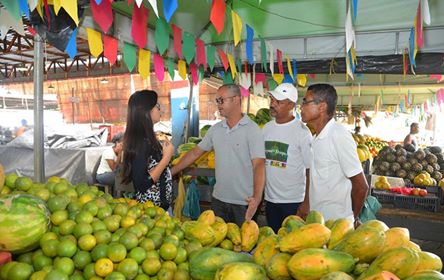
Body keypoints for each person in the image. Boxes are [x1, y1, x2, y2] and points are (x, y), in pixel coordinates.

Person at [171, 84, 265, 226]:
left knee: (243, 245)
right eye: (217, 101)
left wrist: (257, 197)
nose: (218, 105)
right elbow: (195, 152)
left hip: (244, 203)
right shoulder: (216, 130)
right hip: (218, 200)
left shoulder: (252, 130)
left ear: (236, 100)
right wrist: (171, 172)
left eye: (222, 100)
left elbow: (259, 165)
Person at [300, 83, 368, 226]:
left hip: (336, 224)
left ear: (322, 107)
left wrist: (351, 219)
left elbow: (361, 186)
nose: (301, 106)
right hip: (318, 223)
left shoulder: (338, 135)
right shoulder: (315, 138)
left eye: (305, 101)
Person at [263, 83, 313, 232]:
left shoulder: (302, 132)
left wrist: (306, 202)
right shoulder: (267, 128)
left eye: (278, 102)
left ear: (291, 104)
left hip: (293, 201)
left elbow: (311, 170)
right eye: (272, 100)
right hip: (270, 199)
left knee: (292, 245)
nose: (273, 104)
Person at [121, 90, 174, 210]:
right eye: (157, 106)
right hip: (151, 213)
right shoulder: (141, 142)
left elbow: (157, 172)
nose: (161, 110)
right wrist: (166, 158)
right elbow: (142, 184)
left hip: (159, 208)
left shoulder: (148, 138)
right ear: (146, 111)